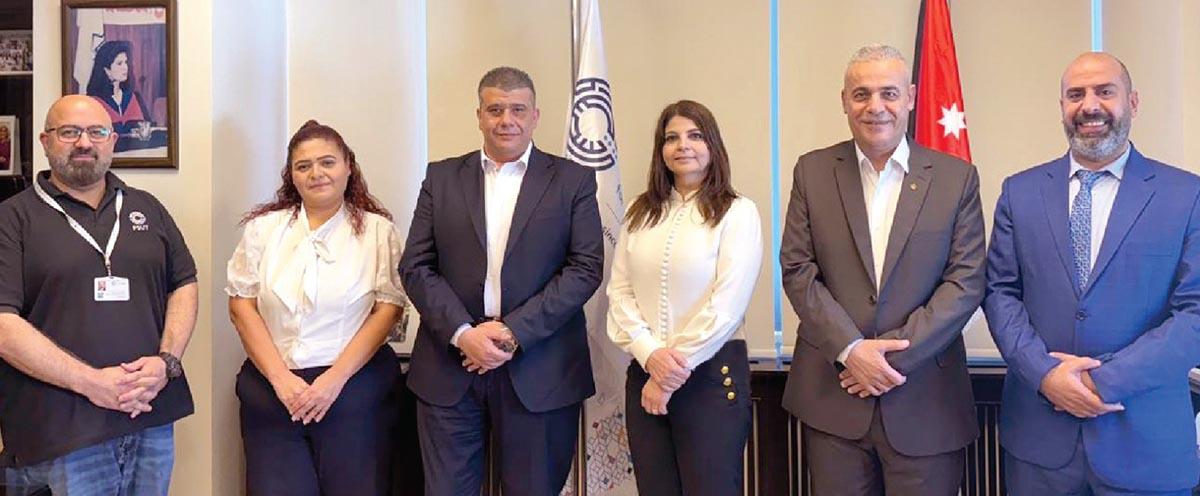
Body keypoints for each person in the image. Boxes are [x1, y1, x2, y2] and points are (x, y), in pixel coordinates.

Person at [983, 52, 1200, 495]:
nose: (1090, 105)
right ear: (1062, 106)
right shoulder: (1020, 192)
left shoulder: (1186, 195)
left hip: (1146, 446)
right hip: (1040, 446)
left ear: (1132, 102)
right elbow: (1000, 293)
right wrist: (1045, 375)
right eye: (1075, 94)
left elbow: (1195, 313)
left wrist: (1099, 382)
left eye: (1105, 91)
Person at [778, 44, 985, 495]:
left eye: (889, 93)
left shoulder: (956, 178)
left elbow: (965, 282)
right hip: (834, 400)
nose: (875, 107)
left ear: (910, 97)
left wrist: (887, 360)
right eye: (861, 94)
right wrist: (851, 350)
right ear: (844, 101)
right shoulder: (812, 171)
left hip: (926, 402)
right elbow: (797, 269)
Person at [400, 66, 604, 495]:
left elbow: (585, 268)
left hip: (541, 370)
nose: (506, 120)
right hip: (449, 369)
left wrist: (511, 332)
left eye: (517, 109)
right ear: (479, 116)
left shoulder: (573, 181)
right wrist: (464, 334)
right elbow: (416, 266)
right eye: (495, 110)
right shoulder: (441, 178)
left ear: (535, 116)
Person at [0, 94, 197, 495]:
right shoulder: (12, 218)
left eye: (96, 132)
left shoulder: (147, 208)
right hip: (62, 432)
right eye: (69, 132)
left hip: (149, 416)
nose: (84, 143)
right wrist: (91, 383)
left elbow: (183, 283)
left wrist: (167, 362)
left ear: (113, 140)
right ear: (45, 141)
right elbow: (3, 324)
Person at [227, 120, 406, 495]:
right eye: (303, 166)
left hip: (353, 390)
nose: (316, 173)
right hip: (274, 392)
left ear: (348, 167)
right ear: (291, 175)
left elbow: (387, 310)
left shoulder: (378, 231)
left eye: (327, 162)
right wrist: (281, 380)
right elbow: (242, 307)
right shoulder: (263, 229)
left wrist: (333, 380)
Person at [606, 100, 762, 495]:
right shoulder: (639, 211)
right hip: (644, 373)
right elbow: (620, 293)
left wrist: (670, 374)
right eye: (672, 137)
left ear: (712, 145)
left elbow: (726, 307)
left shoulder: (737, 213)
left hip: (710, 377)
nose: (683, 145)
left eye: (695, 135)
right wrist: (651, 356)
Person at [86, 40, 148, 135]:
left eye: (126, 62)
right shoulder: (94, 103)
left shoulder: (131, 97)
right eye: (119, 63)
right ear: (106, 70)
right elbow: (93, 133)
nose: (125, 67)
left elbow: (143, 129)